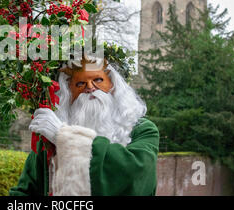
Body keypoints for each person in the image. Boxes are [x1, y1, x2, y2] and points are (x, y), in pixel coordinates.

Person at [9, 54, 159, 196]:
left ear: (113, 85)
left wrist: (65, 137)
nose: (90, 87)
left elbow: (135, 174)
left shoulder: (142, 129)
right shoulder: (50, 135)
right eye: (80, 83)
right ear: (68, 92)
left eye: (98, 80)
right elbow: (26, 190)